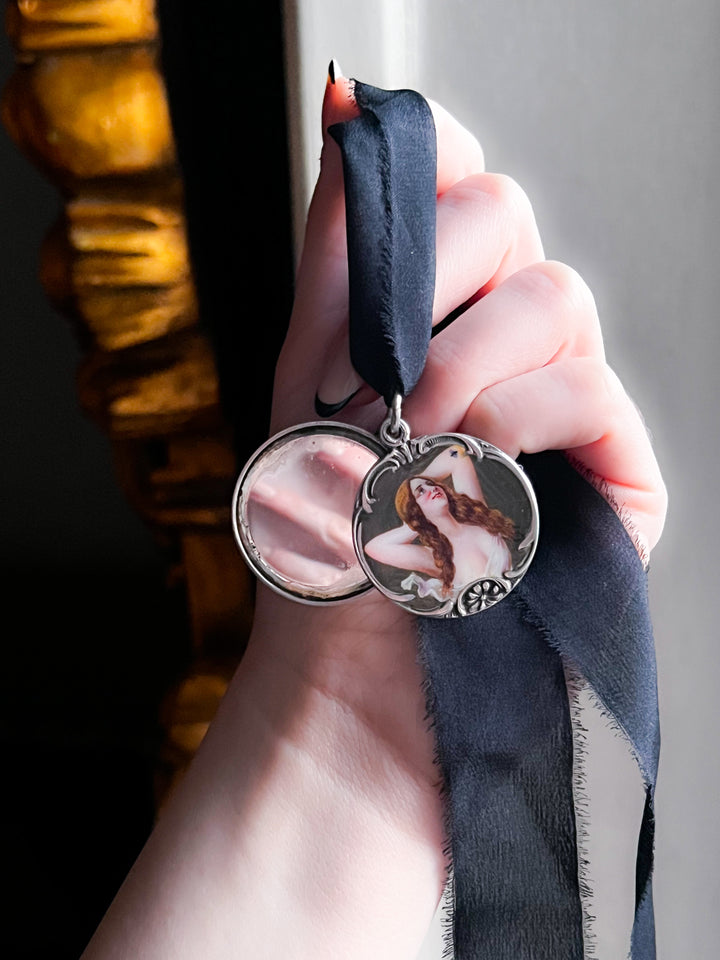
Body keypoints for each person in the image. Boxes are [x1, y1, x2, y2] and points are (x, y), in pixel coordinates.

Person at [79, 63, 667, 960]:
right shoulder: (382, 535)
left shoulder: (443, 538)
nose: (430, 491)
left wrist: (356, 750)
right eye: (427, 489)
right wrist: (328, 722)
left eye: (436, 490)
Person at [364, 444, 516, 600]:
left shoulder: (477, 515)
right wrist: (415, 521)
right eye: (421, 492)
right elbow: (374, 548)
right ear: (415, 509)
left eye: (431, 484)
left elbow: (456, 453)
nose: (432, 489)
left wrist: (417, 480)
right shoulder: (437, 558)